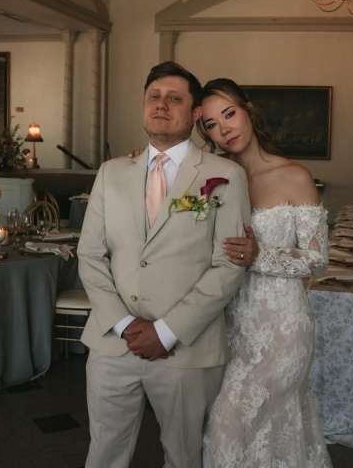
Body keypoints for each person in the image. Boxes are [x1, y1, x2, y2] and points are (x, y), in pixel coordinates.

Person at [77, 63, 251, 468]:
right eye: (153, 97)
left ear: (194, 113)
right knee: (104, 453)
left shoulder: (226, 175)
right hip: (112, 343)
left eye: (175, 98)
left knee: (184, 455)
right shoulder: (111, 172)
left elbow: (229, 265)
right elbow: (90, 255)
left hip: (186, 348)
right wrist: (124, 324)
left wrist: (167, 331)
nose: (161, 105)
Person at [198, 78, 333, 468]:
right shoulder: (215, 181)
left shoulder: (294, 176)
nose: (224, 129)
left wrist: (260, 255)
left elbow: (317, 258)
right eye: (211, 124)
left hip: (283, 330)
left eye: (229, 114)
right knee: (254, 430)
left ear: (249, 111)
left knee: (230, 423)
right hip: (231, 326)